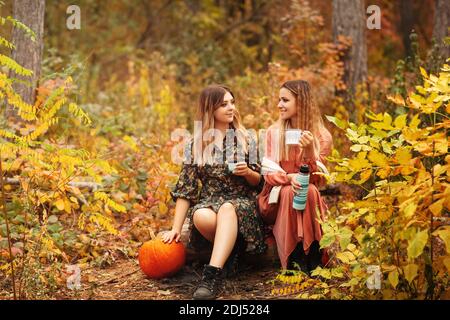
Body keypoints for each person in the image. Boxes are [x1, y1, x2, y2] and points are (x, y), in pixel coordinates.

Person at [162, 84, 266, 300]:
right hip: (210, 202)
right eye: (224, 104)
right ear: (210, 109)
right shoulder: (196, 144)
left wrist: (247, 172)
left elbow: (259, 183)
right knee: (200, 215)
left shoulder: (247, 139)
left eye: (232, 102)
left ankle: (211, 277)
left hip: (241, 203)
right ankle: (233, 253)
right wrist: (175, 228)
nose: (231, 108)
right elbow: (186, 190)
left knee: (228, 209)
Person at [258, 79, 333, 274]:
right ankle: (298, 256)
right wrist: (289, 178)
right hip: (274, 200)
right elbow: (269, 173)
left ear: (301, 102)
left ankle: (311, 255)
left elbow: (320, 179)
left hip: (307, 197)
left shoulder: (322, 136)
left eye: (285, 100)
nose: (279, 105)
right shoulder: (274, 133)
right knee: (294, 191)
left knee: (308, 189)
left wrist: (309, 152)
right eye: (279, 100)